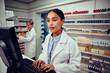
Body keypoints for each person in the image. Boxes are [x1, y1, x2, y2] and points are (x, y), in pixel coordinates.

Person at [33, 9, 81, 73]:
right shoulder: (48, 38)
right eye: (48, 20)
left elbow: (76, 67)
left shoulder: (71, 43)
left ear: (62, 21)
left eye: (54, 20)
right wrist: (41, 59)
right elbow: (44, 53)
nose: (50, 23)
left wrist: (55, 67)